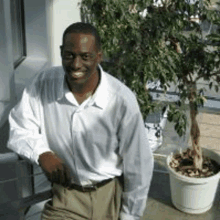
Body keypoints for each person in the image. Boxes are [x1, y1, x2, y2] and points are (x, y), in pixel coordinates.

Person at [7, 22, 154, 220]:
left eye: (85, 56)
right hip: (66, 197)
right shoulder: (43, 84)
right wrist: (42, 154)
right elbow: (20, 126)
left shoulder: (121, 100)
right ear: (61, 52)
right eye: (69, 55)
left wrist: (130, 215)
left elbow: (139, 164)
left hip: (109, 196)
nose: (76, 64)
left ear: (99, 56)